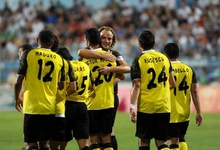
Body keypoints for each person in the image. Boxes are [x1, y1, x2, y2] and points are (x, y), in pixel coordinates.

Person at [78, 26, 130, 150]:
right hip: (100, 98)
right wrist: (103, 57)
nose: (107, 41)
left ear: (113, 41)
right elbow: (81, 52)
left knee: (105, 133)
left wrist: (110, 71)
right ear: (98, 38)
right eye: (103, 38)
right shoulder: (89, 53)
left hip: (109, 96)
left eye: (110, 39)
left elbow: (126, 69)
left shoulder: (114, 54)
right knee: (105, 135)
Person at [14, 29, 66, 150]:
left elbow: (18, 82)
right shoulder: (59, 59)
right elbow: (61, 85)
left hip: (32, 107)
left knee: (31, 144)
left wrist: (17, 98)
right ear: (52, 43)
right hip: (49, 107)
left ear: (37, 40)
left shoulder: (29, 54)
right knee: (45, 145)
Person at [130, 30, 176, 150]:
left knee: (144, 142)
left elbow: (137, 85)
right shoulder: (165, 58)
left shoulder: (138, 60)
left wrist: (132, 106)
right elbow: (172, 84)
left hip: (146, 106)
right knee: (162, 142)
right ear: (154, 42)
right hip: (163, 106)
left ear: (140, 44)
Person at [80, 28, 117, 150]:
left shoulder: (84, 61)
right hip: (108, 102)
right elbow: (121, 74)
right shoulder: (111, 58)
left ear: (88, 42)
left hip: (92, 104)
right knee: (107, 140)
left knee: (93, 141)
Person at [163, 43, 203, 150]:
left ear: (165, 55)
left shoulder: (165, 69)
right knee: (181, 138)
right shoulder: (189, 69)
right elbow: (194, 91)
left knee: (171, 141)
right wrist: (199, 112)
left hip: (169, 110)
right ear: (179, 54)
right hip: (185, 110)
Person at [56, 47, 94, 150]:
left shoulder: (65, 67)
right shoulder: (85, 66)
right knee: (84, 144)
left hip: (67, 106)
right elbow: (92, 86)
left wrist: (65, 95)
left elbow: (72, 88)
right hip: (82, 106)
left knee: (61, 143)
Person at [50, 35, 77, 150]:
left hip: (60, 105)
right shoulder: (82, 66)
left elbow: (71, 87)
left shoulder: (62, 67)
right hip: (79, 105)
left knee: (55, 140)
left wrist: (63, 94)